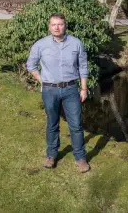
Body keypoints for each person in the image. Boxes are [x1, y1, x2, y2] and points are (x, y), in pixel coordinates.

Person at [26, 12, 91, 173]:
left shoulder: (76, 44)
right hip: (50, 90)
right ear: (49, 26)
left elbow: (83, 67)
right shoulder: (40, 45)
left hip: (71, 90)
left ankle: (80, 158)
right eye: (53, 24)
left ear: (65, 25)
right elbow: (31, 65)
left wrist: (83, 88)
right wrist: (42, 81)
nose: (57, 27)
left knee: (76, 125)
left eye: (60, 24)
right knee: (52, 124)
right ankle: (51, 155)